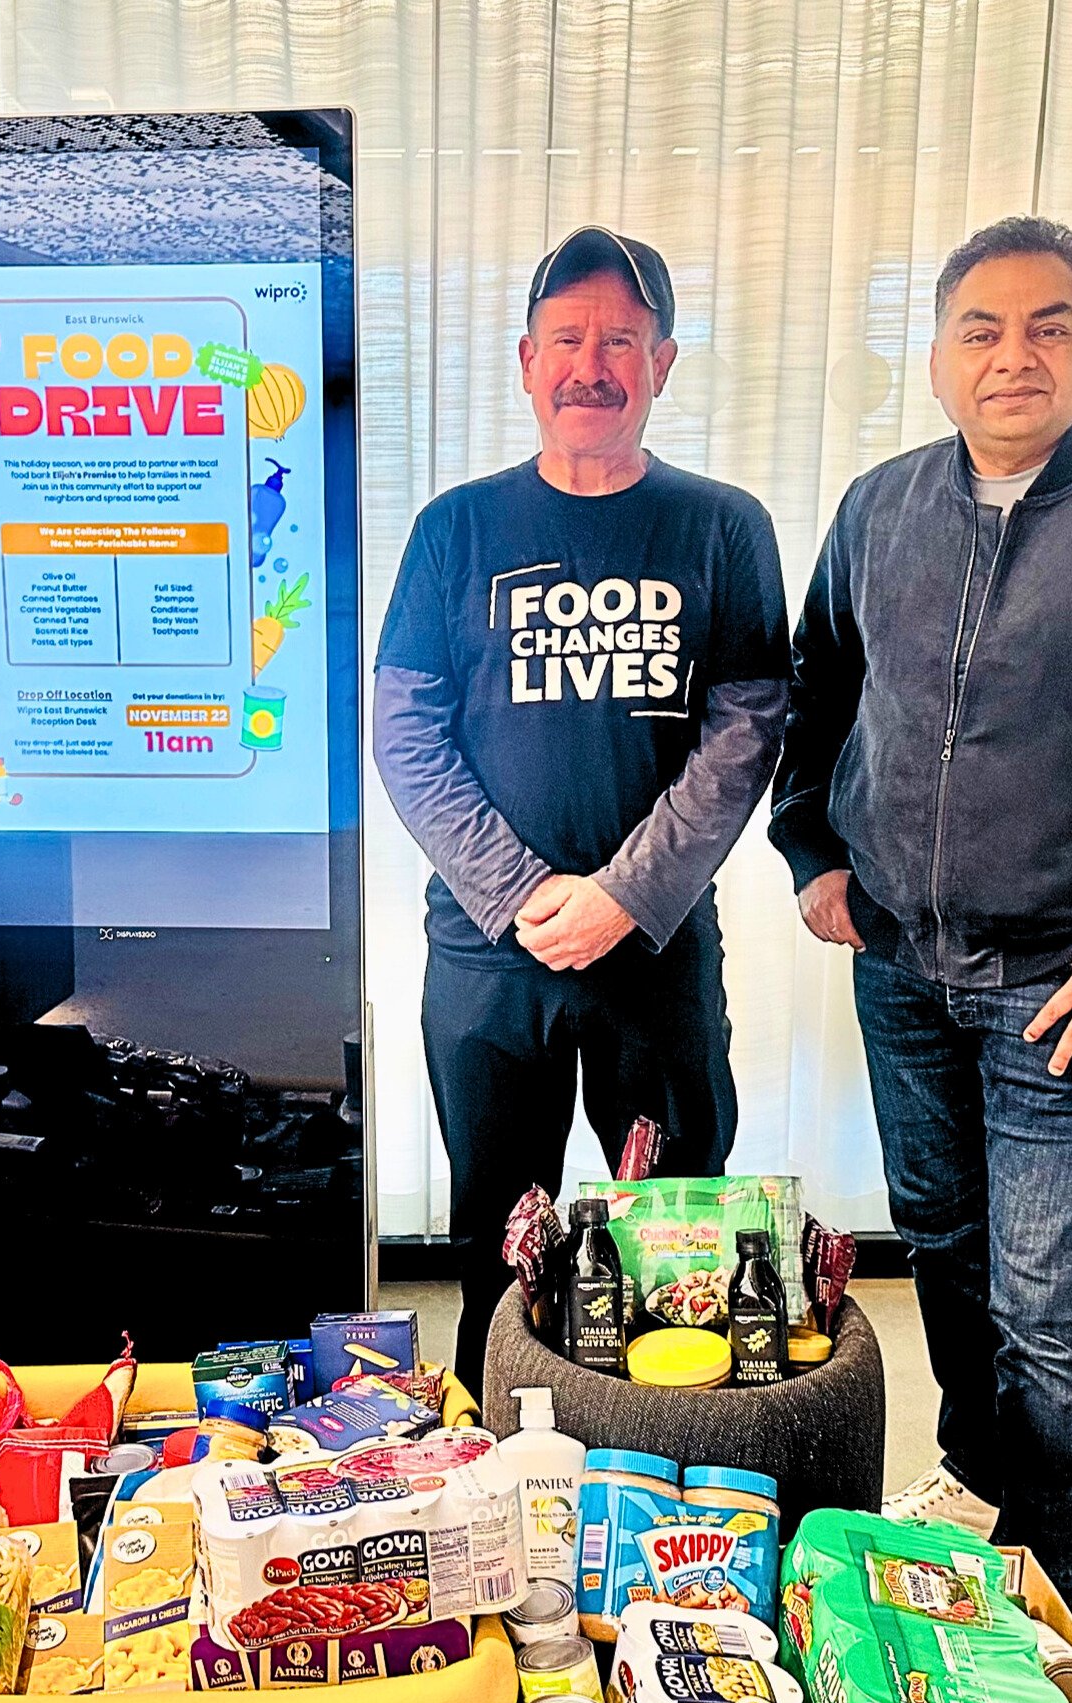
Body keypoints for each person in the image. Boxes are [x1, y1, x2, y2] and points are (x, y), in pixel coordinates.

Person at [771, 216, 1072, 1604]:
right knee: (946, 1251)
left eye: (1047, 325)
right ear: (938, 357)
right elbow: (818, 687)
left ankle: (1038, 1578)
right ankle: (977, 1480)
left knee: (1044, 1294)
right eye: (981, 327)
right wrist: (812, 848)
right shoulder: (880, 507)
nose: (1012, 355)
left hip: (1071, 978)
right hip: (902, 962)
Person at [374, 226, 790, 1397]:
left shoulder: (722, 527)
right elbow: (405, 731)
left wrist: (623, 895)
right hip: (487, 960)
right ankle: (496, 1464)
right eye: (566, 339)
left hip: (654, 954)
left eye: (619, 340)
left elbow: (748, 728)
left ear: (663, 363)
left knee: (677, 1250)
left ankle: (662, 1461)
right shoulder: (456, 531)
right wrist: (520, 893)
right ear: (526, 361)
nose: (590, 366)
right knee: (494, 1248)